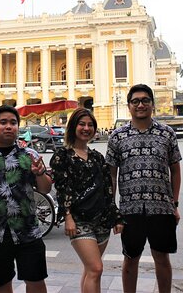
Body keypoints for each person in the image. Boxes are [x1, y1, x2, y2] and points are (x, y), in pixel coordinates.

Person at [106, 83, 181, 293]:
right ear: (129, 106)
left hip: (161, 208)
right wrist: (113, 209)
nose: (140, 104)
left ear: (152, 105)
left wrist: (174, 203)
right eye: (135, 101)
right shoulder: (117, 136)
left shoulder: (166, 133)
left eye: (145, 100)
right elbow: (111, 174)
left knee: (162, 258)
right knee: (130, 259)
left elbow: (175, 170)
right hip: (130, 209)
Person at [0, 105, 52, 293]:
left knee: (36, 281)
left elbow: (45, 188)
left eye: (13, 123)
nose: (8, 126)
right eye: (3, 122)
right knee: (1, 284)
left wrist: (40, 173)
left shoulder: (30, 155)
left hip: (28, 230)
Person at [50, 108, 123, 293]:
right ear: (73, 126)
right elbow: (62, 189)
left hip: (102, 220)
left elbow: (107, 189)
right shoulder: (62, 156)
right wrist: (67, 217)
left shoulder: (97, 157)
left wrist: (116, 216)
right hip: (78, 219)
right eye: (82, 124)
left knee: (91, 269)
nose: (86, 128)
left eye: (90, 125)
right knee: (96, 268)